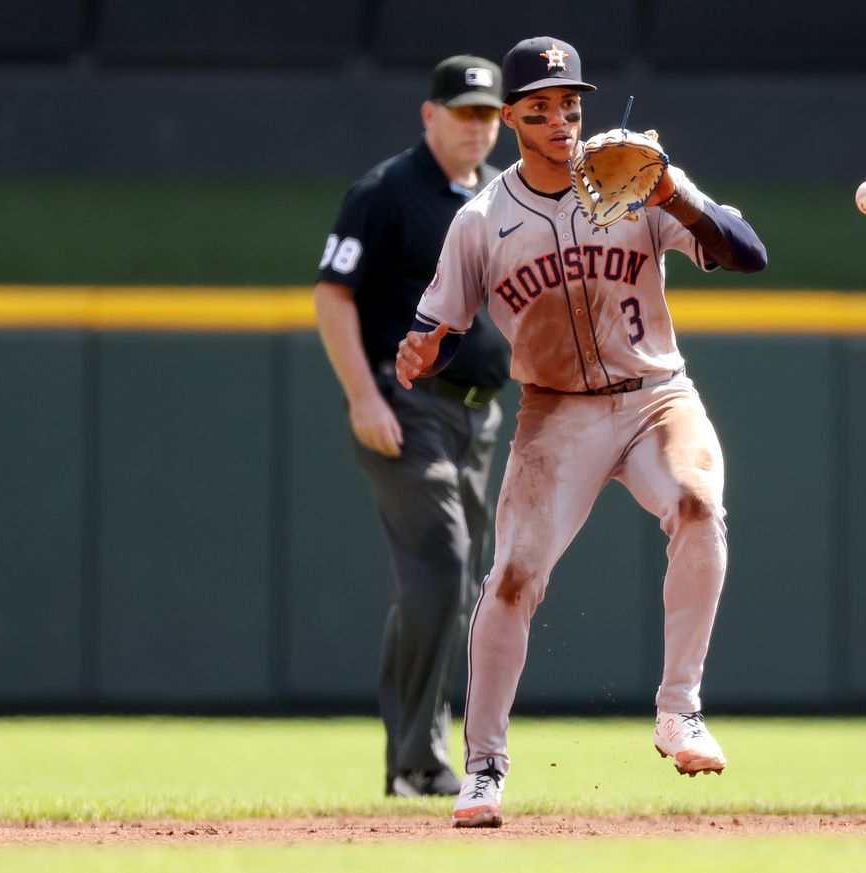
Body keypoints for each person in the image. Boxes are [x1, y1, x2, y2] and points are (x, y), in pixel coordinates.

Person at [394, 36, 768, 828]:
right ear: (511, 118)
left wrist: (675, 196)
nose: (563, 118)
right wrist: (423, 347)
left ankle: (679, 710)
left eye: (571, 103)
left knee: (698, 502)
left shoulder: (633, 174)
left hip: (656, 397)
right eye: (543, 107)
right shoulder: (483, 220)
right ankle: (485, 767)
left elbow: (748, 253)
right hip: (554, 413)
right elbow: (439, 325)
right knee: (514, 577)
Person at [313, 54, 511, 799]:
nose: (476, 126)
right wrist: (364, 398)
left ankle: (411, 757)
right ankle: (419, 759)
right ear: (429, 115)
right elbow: (333, 297)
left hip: (476, 417)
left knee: (448, 581)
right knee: (443, 560)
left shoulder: (495, 196)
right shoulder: (385, 192)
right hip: (404, 407)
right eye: (463, 112)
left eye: (487, 114)